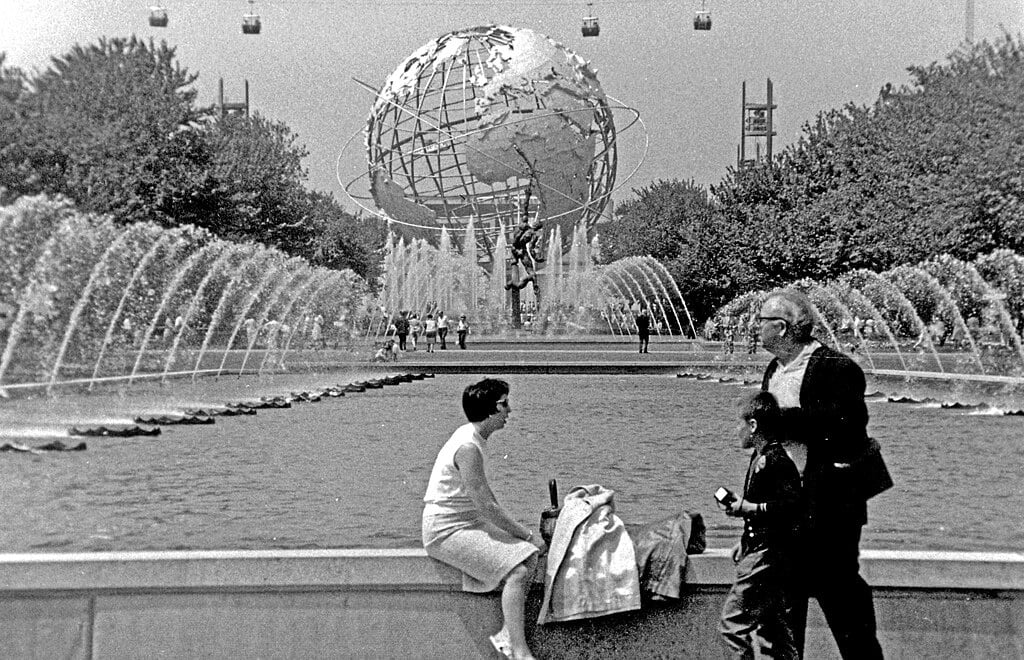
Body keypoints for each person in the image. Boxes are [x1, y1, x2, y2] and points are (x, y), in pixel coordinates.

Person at [757, 289, 884, 659]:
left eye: (761, 321)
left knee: (842, 601)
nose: (755, 328)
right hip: (785, 506)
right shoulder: (776, 368)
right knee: (783, 608)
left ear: (781, 328)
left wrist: (773, 421)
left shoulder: (836, 368)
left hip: (829, 506)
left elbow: (843, 426)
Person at [422, 379, 546, 660]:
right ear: (490, 410)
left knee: (529, 557)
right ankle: (519, 651)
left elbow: (485, 500)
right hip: (445, 530)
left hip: (465, 523)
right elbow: (486, 505)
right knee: (519, 571)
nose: (509, 410)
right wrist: (526, 534)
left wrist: (522, 538)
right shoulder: (468, 447)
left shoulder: (471, 436)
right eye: (504, 404)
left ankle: (507, 636)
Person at [719, 391, 803, 660]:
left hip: (766, 557)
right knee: (775, 630)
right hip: (766, 551)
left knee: (732, 627)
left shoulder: (775, 460)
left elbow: (793, 507)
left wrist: (750, 509)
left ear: (753, 426)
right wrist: (744, 539)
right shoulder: (760, 457)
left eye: (739, 424)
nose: (736, 430)